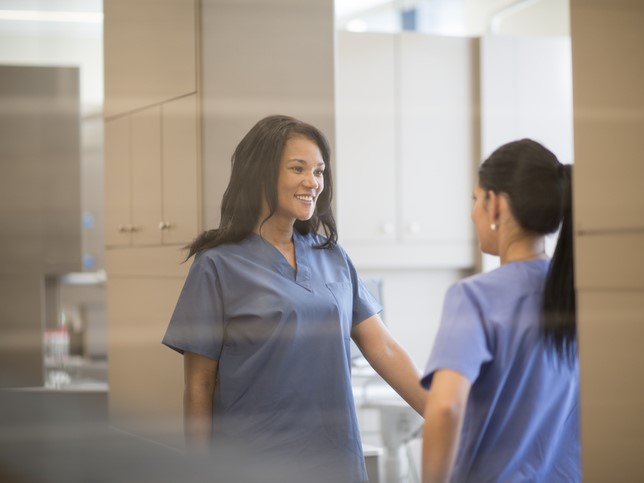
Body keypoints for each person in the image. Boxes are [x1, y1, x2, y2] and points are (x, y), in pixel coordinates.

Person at [162, 114, 426, 483]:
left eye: (319, 171)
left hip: (336, 461)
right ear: (261, 174)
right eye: (297, 168)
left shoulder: (331, 256)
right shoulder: (218, 266)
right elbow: (199, 387)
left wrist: (442, 411)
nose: (312, 182)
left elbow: (384, 349)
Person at [420, 139, 580, 483]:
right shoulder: (581, 293)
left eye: (476, 199)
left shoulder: (475, 297)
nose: (473, 211)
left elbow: (446, 407)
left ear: (495, 205)